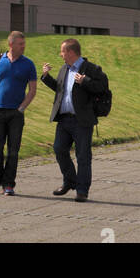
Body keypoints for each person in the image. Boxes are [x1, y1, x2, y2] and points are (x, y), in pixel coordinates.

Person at [41, 38, 107, 202]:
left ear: (70, 52)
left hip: (82, 120)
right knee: (59, 149)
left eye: (62, 51)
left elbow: (102, 87)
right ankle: (70, 181)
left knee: (83, 155)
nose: (60, 54)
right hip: (64, 120)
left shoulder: (91, 69)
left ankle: (82, 190)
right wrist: (46, 77)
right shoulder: (64, 68)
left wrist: (85, 81)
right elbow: (60, 89)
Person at [0, 30, 37, 195]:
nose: (23, 47)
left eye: (24, 44)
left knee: (13, 150)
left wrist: (22, 108)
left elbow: (32, 90)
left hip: (15, 114)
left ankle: (9, 184)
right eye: (21, 44)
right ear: (11, 44)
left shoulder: (28, 64)